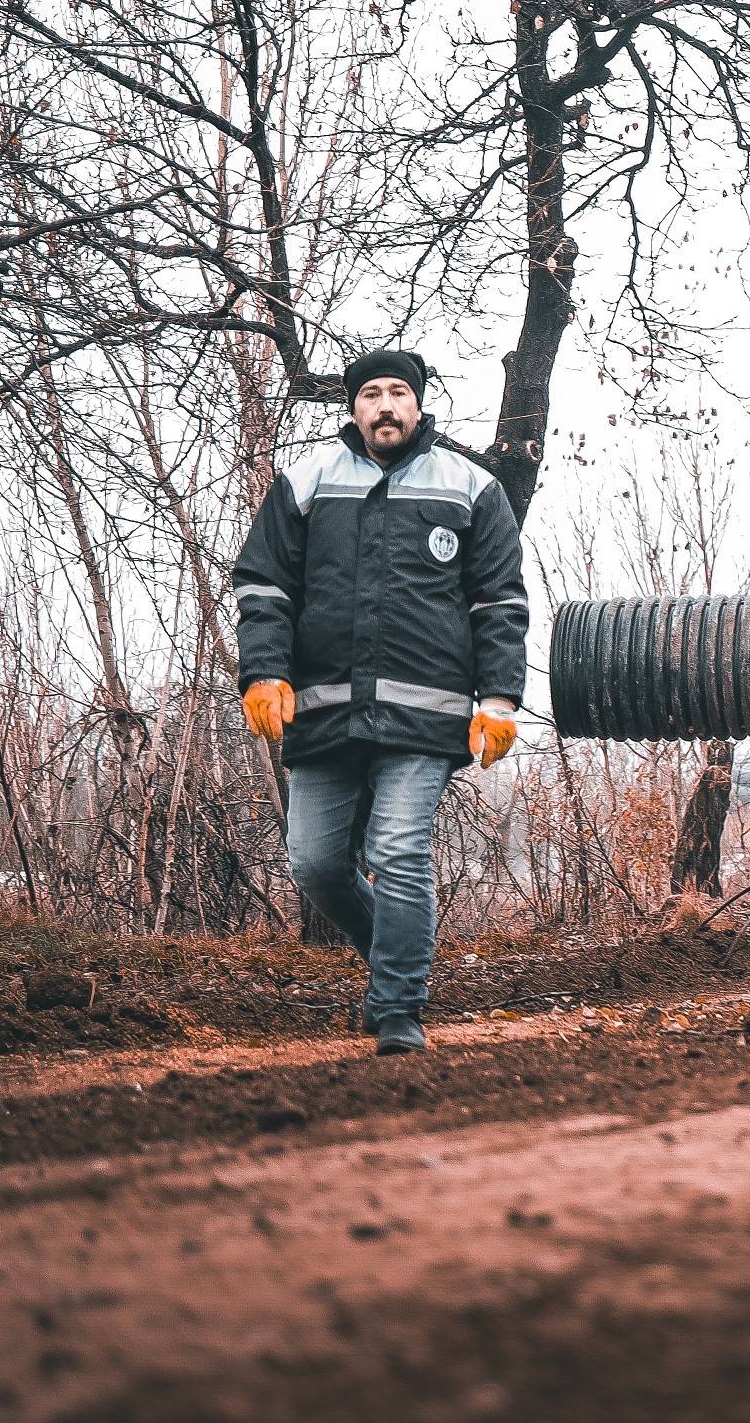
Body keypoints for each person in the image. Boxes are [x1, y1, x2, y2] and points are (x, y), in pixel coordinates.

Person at [232, 349, 528, 1056]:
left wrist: (501, 700)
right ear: (353, 408)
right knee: (313, 863)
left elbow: (499, 602)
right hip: (325, 710)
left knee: (398, 851)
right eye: (371, 394)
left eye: (399, 393)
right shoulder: (306, 482)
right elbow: (263, 584)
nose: (386, 405)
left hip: (426, 716)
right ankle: (391, 963)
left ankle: (398, 1003)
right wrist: (264, 672)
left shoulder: (471, 488)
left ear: (420, 405)